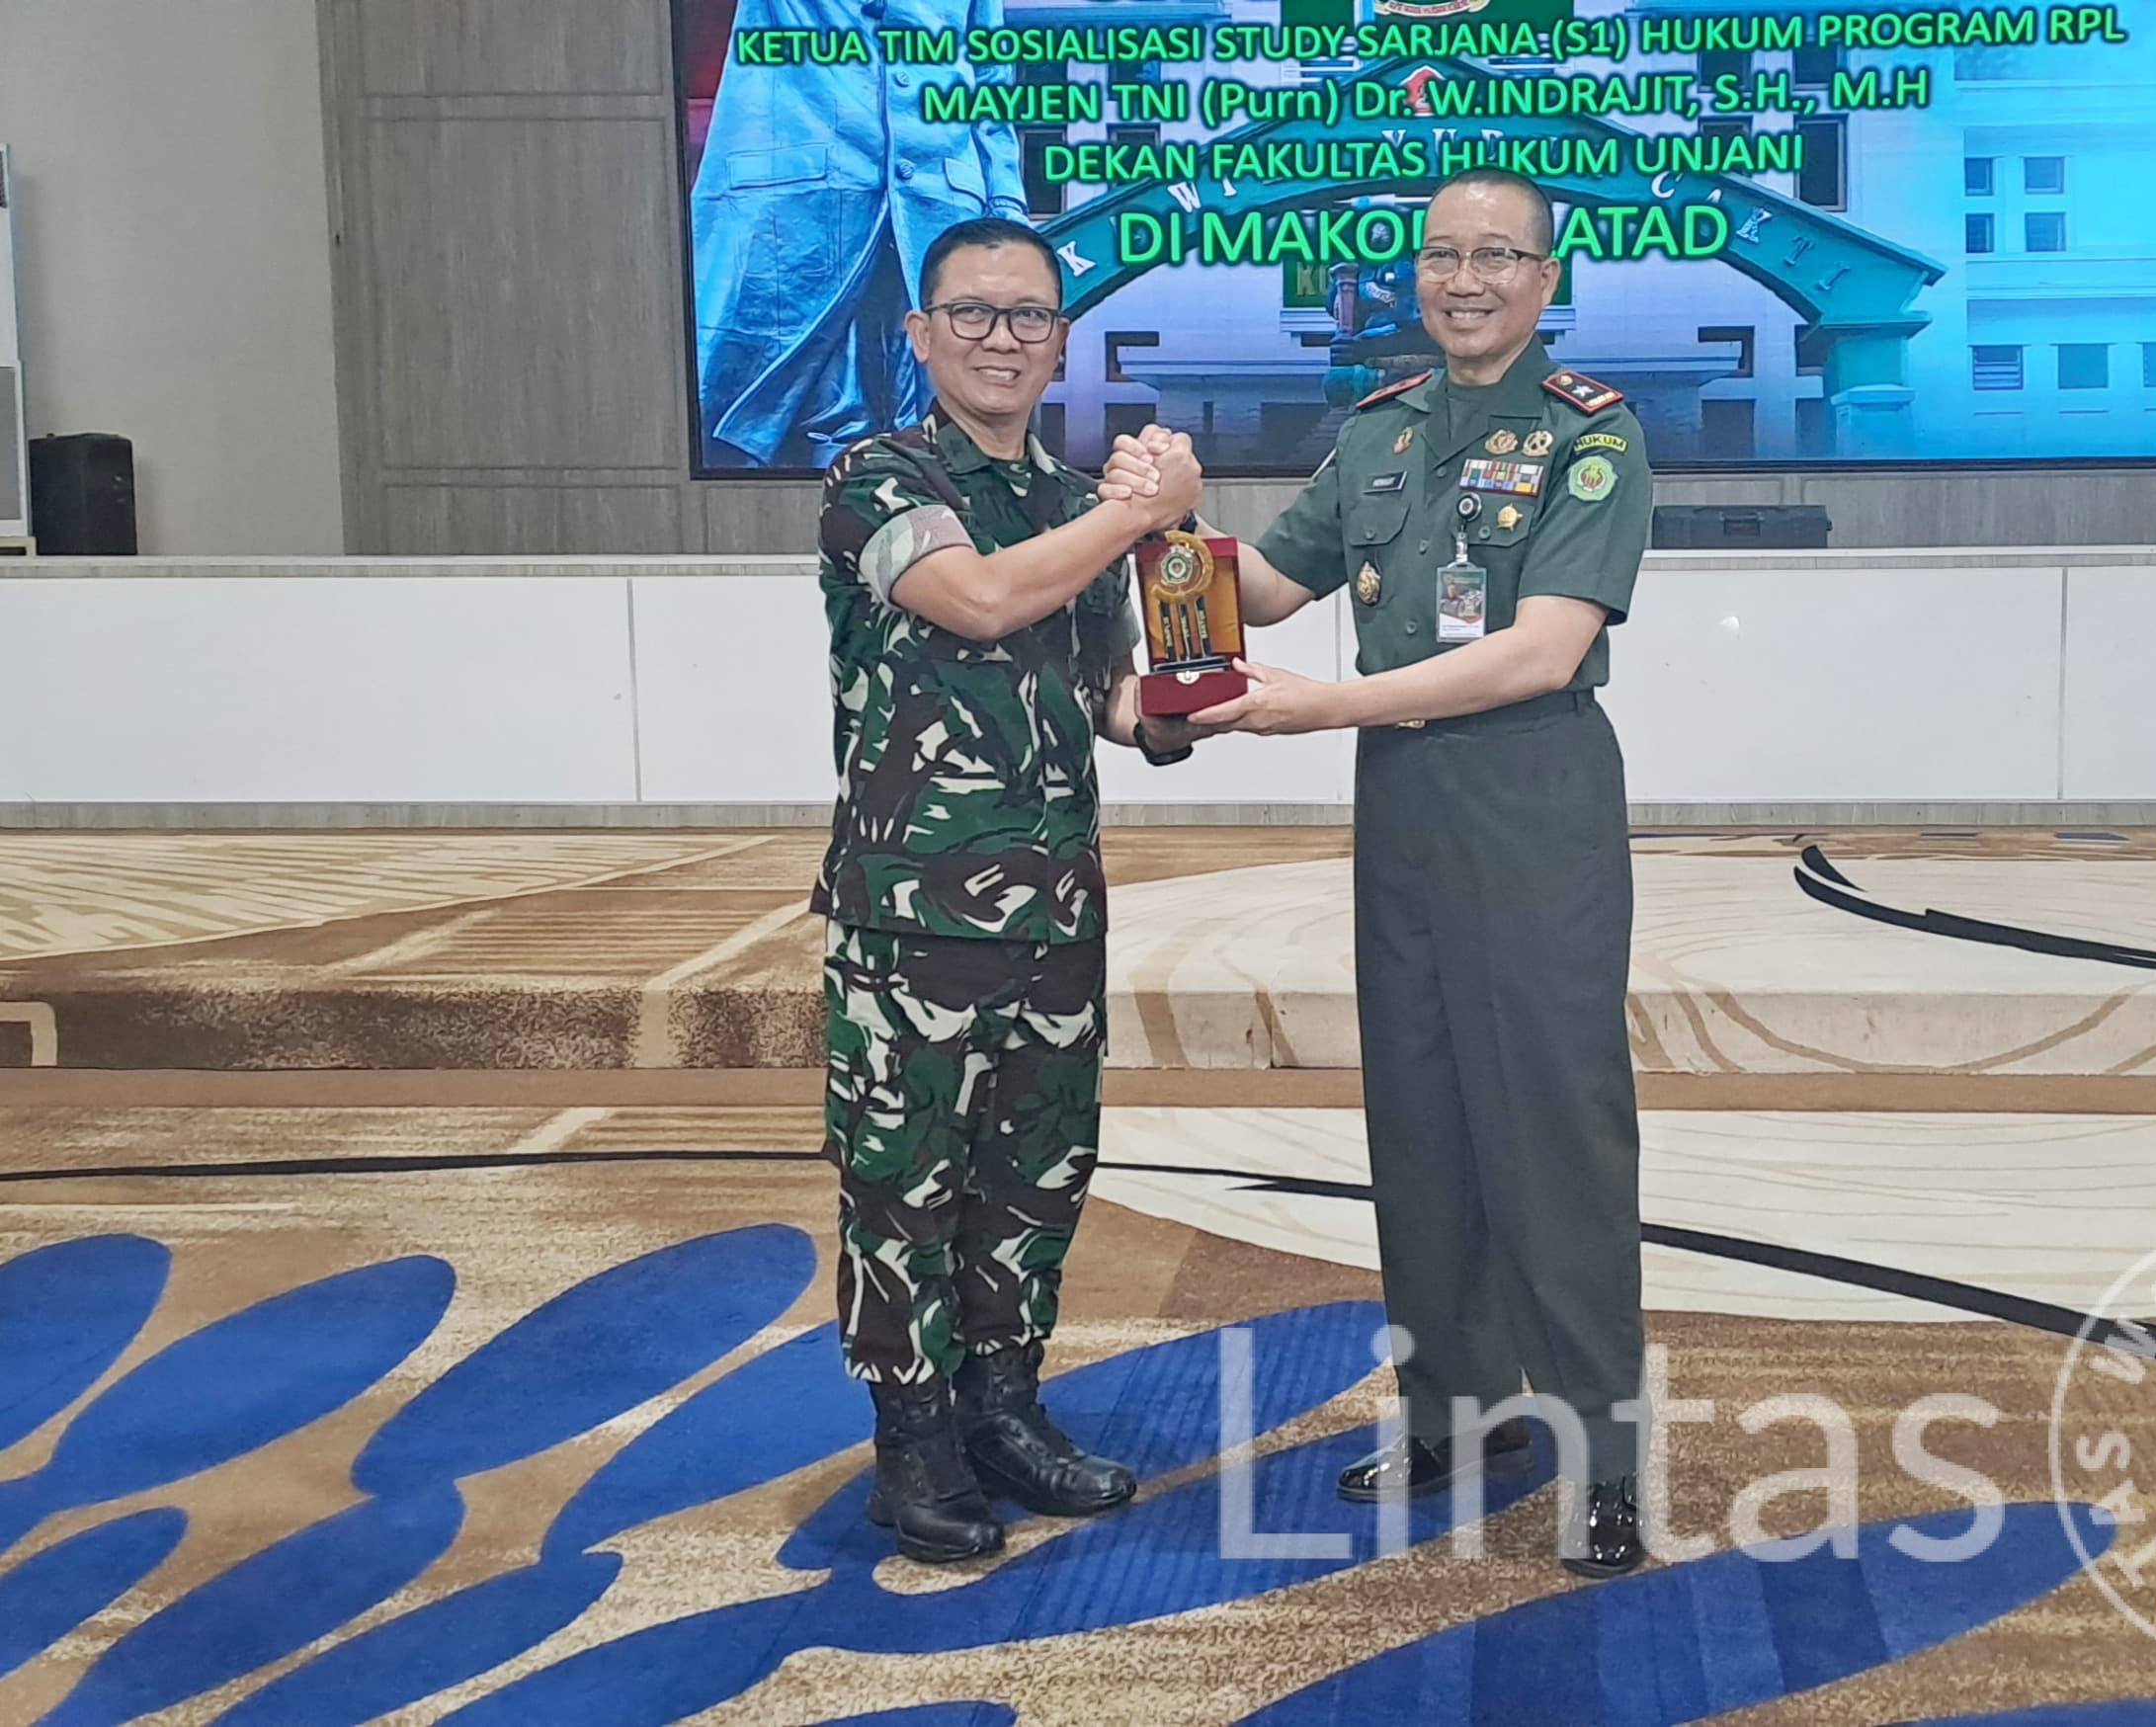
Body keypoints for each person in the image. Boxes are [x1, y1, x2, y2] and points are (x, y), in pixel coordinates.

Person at [1101, 168, 1654, 1578]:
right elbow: (1268, 589)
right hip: (1403, 806)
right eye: (1441, 255)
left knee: (1553, 1125)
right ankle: (1455, 1409)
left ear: (1545, 278)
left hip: (1529, 799)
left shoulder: (1592, 435)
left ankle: (1601, 1451)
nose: (1465, 280)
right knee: (1418, 1117)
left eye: (1497, 256)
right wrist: (1161, 521)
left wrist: (1327, 706)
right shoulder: (1380, 431)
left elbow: (1540, 649)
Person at [814, 215, 1205, 1564]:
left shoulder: (1069, 500)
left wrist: (1196, 698)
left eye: (1029, 315)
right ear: (921, 334)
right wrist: (1130, 513)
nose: (1001, 337)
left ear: (1060, 342)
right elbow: (977, 602)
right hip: (913, 916)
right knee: (903, 1182)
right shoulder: (880, 477)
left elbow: (1106, 693)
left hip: (1053, 911)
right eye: (972, 313)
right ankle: (912, 1442)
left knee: (1035, 1174)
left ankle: (1003, 1410)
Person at [691, 0, 1032, 470]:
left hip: (939, 206)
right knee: (806, 412)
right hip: (805, 204)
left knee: (935, 417)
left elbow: (991, 77)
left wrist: (1008, 208)